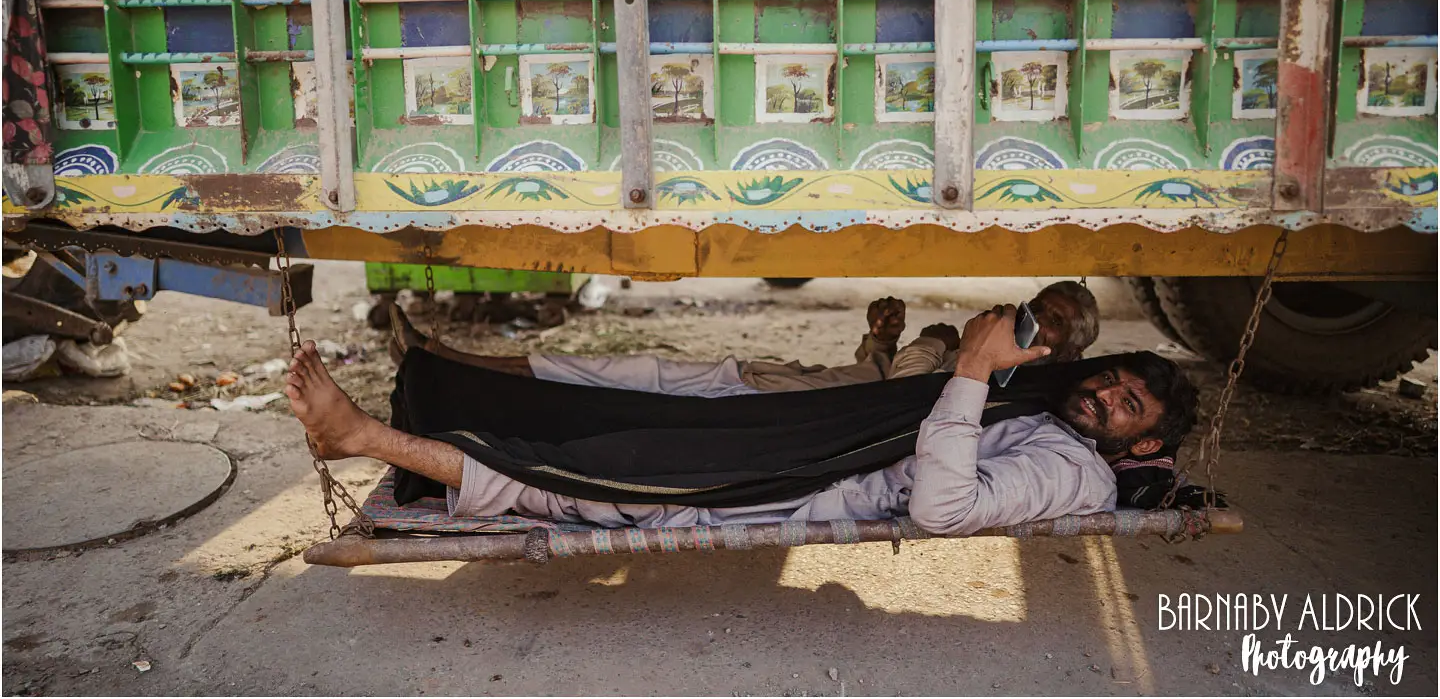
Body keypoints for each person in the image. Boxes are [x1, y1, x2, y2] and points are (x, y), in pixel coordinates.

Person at [286, 304, 1199, 536]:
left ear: (1143, 441)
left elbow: (943, 509)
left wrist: (967, 370)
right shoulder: (1048, 406)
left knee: (608, 482)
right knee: (620, 402)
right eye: (1110, 381)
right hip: (802, 437)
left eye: (1126, 406)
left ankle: (362, 436)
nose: (1102, 398)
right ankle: (442, 380)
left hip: (800, 488)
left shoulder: (1074, 471)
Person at [386, 281, 1101, 395]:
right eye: (1037, 304)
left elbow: (904, 397)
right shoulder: (989, 367)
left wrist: (946, 342)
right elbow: (877, 383)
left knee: (612, 374)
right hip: (776, 384)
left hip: (764, 401)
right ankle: (450, 362)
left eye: (1053, 318)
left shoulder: (1001, 380)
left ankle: (449, 364)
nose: (1034, 315)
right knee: (610, 370)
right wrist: (880, 339)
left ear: (1067, 350)